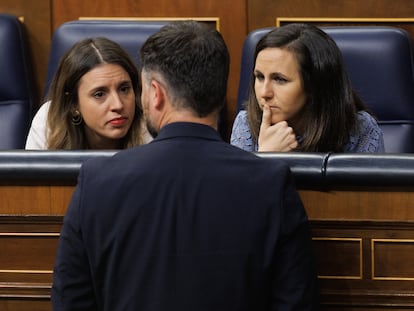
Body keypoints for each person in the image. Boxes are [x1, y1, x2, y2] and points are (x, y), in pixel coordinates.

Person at [51, 21, 319, 310]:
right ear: (218, 93)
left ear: (156, 93)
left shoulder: (97, 181)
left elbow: (70, 302)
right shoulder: (271, 183)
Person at [231, 23, 385, 153]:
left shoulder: (360, 129)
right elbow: (238, 189)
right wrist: (266, 155)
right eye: (259, 77)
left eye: (280, 80)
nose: (264, 93)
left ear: (313, 85)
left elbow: (365, 189)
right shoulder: (246, 123)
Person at [25, 37, 152, 150]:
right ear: (73, 105)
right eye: (99, 94)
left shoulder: (150, 123)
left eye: (124, 89)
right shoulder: (49, 121)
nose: (118, 105)